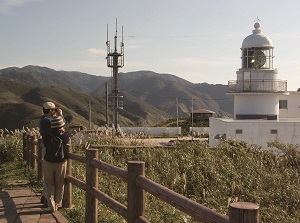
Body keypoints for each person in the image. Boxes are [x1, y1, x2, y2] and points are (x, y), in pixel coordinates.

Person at [43, 116, 70, 212]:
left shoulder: (47, 135)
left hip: (48, 162)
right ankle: (57, 204)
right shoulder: (65, 136)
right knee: (60, 184)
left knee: (49, 184)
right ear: (62, 125)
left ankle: (51, 204)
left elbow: (45, 145)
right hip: (61, 162)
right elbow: (66, 147)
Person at [39, 102, 64, 205]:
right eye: (54, 109)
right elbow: (60, 126)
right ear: (50, 110)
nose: (55, 111)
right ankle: (49, 199)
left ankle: (45, 197)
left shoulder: (43, 120)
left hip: (47, 149)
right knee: (51, 178)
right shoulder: (47, 121)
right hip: (51, 150)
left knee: (48, 177)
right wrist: (60, 116)